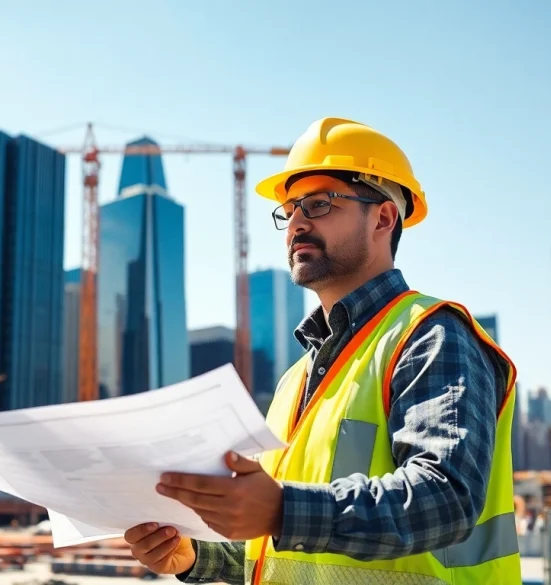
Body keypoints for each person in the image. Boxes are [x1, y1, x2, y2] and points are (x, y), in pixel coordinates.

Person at [124, 117, 521, 584]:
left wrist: (284, 510)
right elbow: (279, 551)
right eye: (289, 211)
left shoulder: (430, 336)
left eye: (319, 204)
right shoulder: (296, 379)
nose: (296, 223)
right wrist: (193, 557)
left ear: (384, 217)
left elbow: (447, 499)